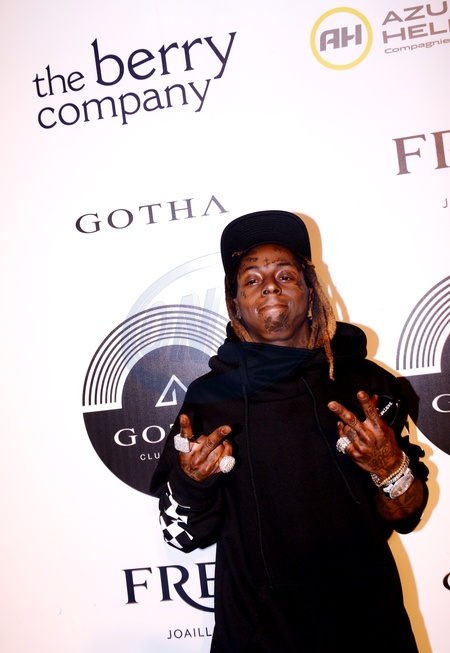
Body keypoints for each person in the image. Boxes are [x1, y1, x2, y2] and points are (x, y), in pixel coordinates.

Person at [150, 210, 428, 653]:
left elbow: (407, 514)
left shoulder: (367, 385)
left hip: (369, 627)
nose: (270, 287)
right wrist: (192, 481)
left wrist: (389, 467)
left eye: (285, 275)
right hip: (257, 634)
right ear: (235, 303)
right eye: (252, 280)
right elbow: (181, 536)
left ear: (310, 290)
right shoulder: (209, 399)